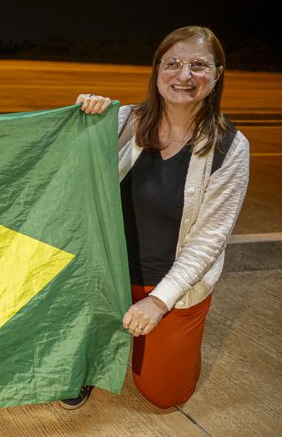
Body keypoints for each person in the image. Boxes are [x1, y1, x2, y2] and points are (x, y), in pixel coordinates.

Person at [61, 26, 250, 410]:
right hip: (105, 277)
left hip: (170, 289)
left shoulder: (230, 146)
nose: (184, 76)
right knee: (66, 371)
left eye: (199, 65)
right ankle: (97, 345)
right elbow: (43, 158)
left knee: (164, 395)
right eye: (173, 64)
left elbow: (209, 240)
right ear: (157, 70)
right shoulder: (123, 121)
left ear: (217, 74)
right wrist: (79, 120)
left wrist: (159, 302)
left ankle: (162, 339)